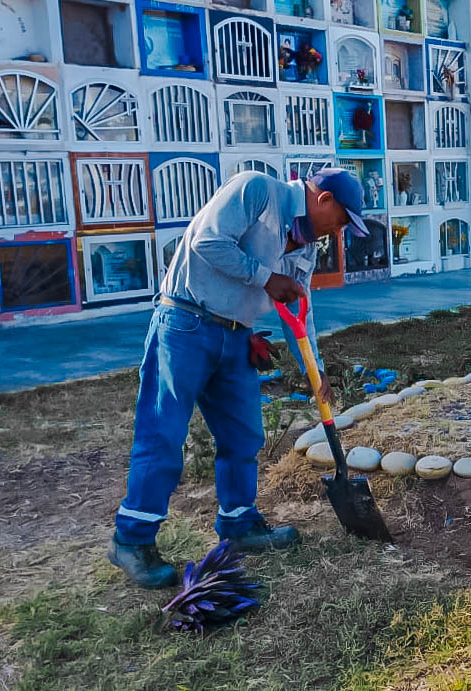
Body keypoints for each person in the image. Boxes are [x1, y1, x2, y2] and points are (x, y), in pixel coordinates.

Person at [109, 169, 369, 588]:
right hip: (186, 324)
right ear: (323, 200)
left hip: (237, 335)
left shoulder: (306, 245)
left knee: (244, 437)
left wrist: (312, 366)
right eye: (341, 221)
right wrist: (267, 278)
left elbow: (298, 305)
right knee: (163, 435)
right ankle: (132, 540)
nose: (338, 233)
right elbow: (207, 243)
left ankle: (239, 524)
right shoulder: (256, 191)